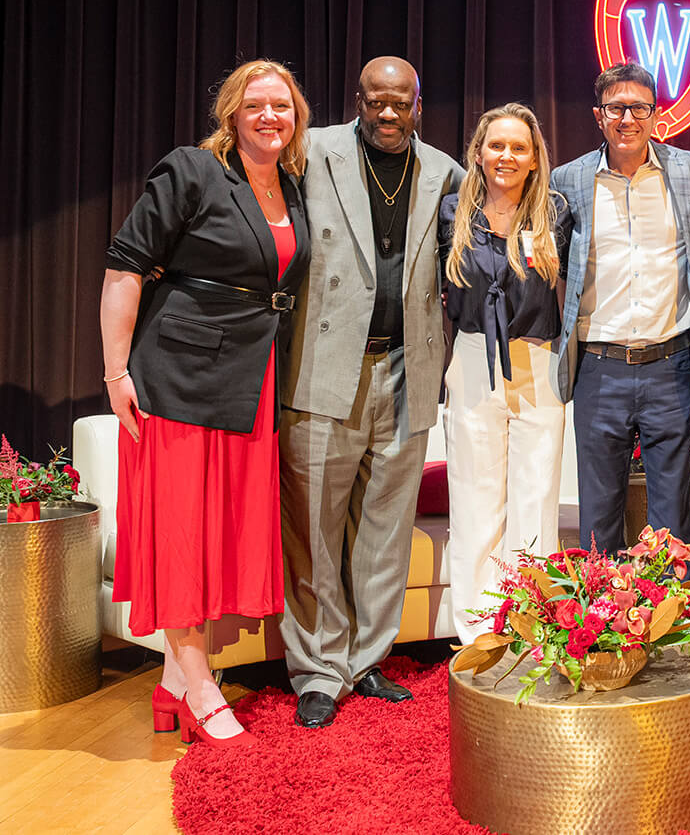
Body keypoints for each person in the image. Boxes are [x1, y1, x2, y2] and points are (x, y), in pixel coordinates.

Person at [100, 59, 312, 747]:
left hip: (250, 382)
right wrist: (115, 373)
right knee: (184, 540)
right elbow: (125, 266)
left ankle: (170, 682)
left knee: (218, 541)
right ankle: (201, 687)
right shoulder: (191, 170)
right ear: (232, 113)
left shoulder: (290, 185)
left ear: (296, 116)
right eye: (256, 104)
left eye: (282, 105)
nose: (270, 116)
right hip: (180, 377)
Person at [279, 56, 464, 728]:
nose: (387, 114)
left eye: (401, 103)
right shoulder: (312, 151)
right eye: (375, 101)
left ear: (420, 101)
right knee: (316, 530)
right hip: (327, 366)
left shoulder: (446, 171)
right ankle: (318, 670)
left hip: (408, 369)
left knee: (385, 530)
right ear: (357, 97)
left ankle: (364, 658)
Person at [551, 62, 690, 552]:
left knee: (672, 514)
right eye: (616, 108)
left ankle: (667, 624)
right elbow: (556, 261)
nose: (627, 118)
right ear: (598, 115)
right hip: (600, 366)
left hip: (670, 364)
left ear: (655, 114)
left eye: (638, 107)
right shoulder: (569, 178)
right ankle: (599, 625)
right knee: (599, 514)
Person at [440, 103, 571, 644]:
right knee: (475, 496)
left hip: (537, 359)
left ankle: (532, 624)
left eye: (519, 147)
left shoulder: (556, 212)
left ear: (536, 158)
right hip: (473, 358)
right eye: (497, 145)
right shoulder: (452, 211)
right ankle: (476, 632)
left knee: (536, 497)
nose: (507, 156)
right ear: (478, 151)